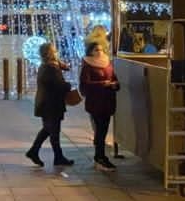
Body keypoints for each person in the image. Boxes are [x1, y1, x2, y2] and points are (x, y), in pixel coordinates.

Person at [26, 43, 74, 167]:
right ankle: (57, 157)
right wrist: (68, 86)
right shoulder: (50, 68)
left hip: (47, 103)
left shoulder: (46, 66)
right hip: (51, 105)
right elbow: (58, 85)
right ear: (50, 53)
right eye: (54, 50)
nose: (56, 52)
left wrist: (61, 66)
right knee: (54, 131)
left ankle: (34, 151)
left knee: (48, 129)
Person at [80, 27, 120, 170]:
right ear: (90, 51)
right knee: (100, 131)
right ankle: (100, 157)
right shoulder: (88, 65)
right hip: (96, 103)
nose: (99, 52)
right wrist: (103, 84)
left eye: (101, 49)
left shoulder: (107, 63)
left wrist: (114, 85)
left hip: (108, 102)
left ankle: (100, 157)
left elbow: (115, 79)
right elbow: (85, 85)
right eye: (96, 50)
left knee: (103, 130)